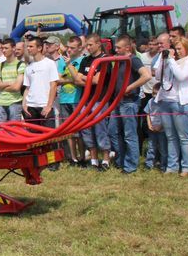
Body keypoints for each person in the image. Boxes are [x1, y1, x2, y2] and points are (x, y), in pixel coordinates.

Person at [154, 37, 188, 176]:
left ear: (187, 48)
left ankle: (187, 168)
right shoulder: (169, 60)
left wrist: (171, 60)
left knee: (184, 137)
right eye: (176, 49)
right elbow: (157, 76)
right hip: (166, 101)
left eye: (180, 49)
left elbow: (181, 76)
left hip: (182, 103)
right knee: (171, 136)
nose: (177, 51)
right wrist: (163, 60)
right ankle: (172, 167)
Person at [109, 35, 152, 174]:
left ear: (127, 48)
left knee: (129, 135)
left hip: (129, 102)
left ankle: (130, 166)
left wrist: (129, 88)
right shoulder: (120, 60)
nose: (115, 49)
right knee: (113, 132)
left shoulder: (133, 60)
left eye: (118, 47)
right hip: (117, 101)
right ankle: (121, 160)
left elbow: (146, 75)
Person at [74, 34, 112, 171]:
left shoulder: (104, 60)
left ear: (98, 44)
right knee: (86, 129)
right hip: (86, 100)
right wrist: (89, 78)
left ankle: (106, 160)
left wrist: (85, 78)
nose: (88, 47)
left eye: (90, 45)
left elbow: (98, 80)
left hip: (99, 100)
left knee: (100, 129)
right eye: (87, 45)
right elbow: (77, 80)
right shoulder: (85, 60)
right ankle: (94, 160)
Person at [57, 36, 85, 165]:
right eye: (68, 47)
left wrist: (68, 76)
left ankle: (82, 157)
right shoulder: (61, 61)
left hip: (77, 99)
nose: (69, 50)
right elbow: (58, 80)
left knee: (80, 130)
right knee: (69, 131)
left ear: (80, 48)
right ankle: (73, 157)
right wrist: (71, 79)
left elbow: (79, 81)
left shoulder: (83, 60)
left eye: (72, 48)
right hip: (64, 99)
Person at [22, 36, 59, 130]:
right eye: (27, 46)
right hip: (31, 107)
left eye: (31, 46)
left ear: (39, 48)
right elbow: (27, 88)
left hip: (44, 106)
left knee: (49, 138)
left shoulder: (50, 63)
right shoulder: (28, 67)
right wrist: (24, 104)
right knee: (33, 139)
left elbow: (53, 85)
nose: (28, 49)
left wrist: (49, 106)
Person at [0, 38, 25, 123]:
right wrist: (9, 83)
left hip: (15, 103)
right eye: (2, 48)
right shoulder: (0, 65)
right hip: (1, 102)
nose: (3, 50)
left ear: (13, 48)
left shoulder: (21, 65)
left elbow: (17, 87)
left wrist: (1, 86)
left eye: (6, 48)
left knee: (14, 131)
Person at [143, 83, 166, 172]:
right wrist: (149, 125)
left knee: (163, 148)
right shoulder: (150, 101)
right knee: (151, 147)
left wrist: (160, 127)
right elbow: (148, 114)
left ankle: (163, 165)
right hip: (152, 129)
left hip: (162, 130)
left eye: (157, 94)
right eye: (153, 93)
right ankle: (149, 164)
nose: (154, 96)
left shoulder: (164, 104)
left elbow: (165, 117)